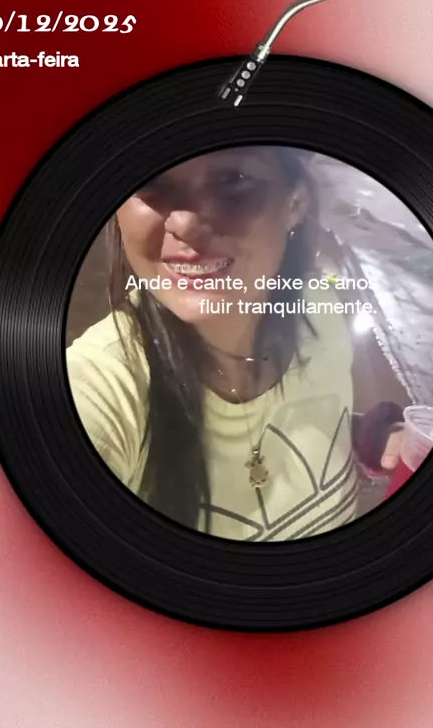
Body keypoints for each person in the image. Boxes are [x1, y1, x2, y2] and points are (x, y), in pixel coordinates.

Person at [66, 146, 403, 541]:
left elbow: (308, 412)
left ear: (296, 203)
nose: (186, 225)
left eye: (232, 180)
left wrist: (361, 436)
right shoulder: (98, 388)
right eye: (152, 184)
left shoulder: (318, 307)